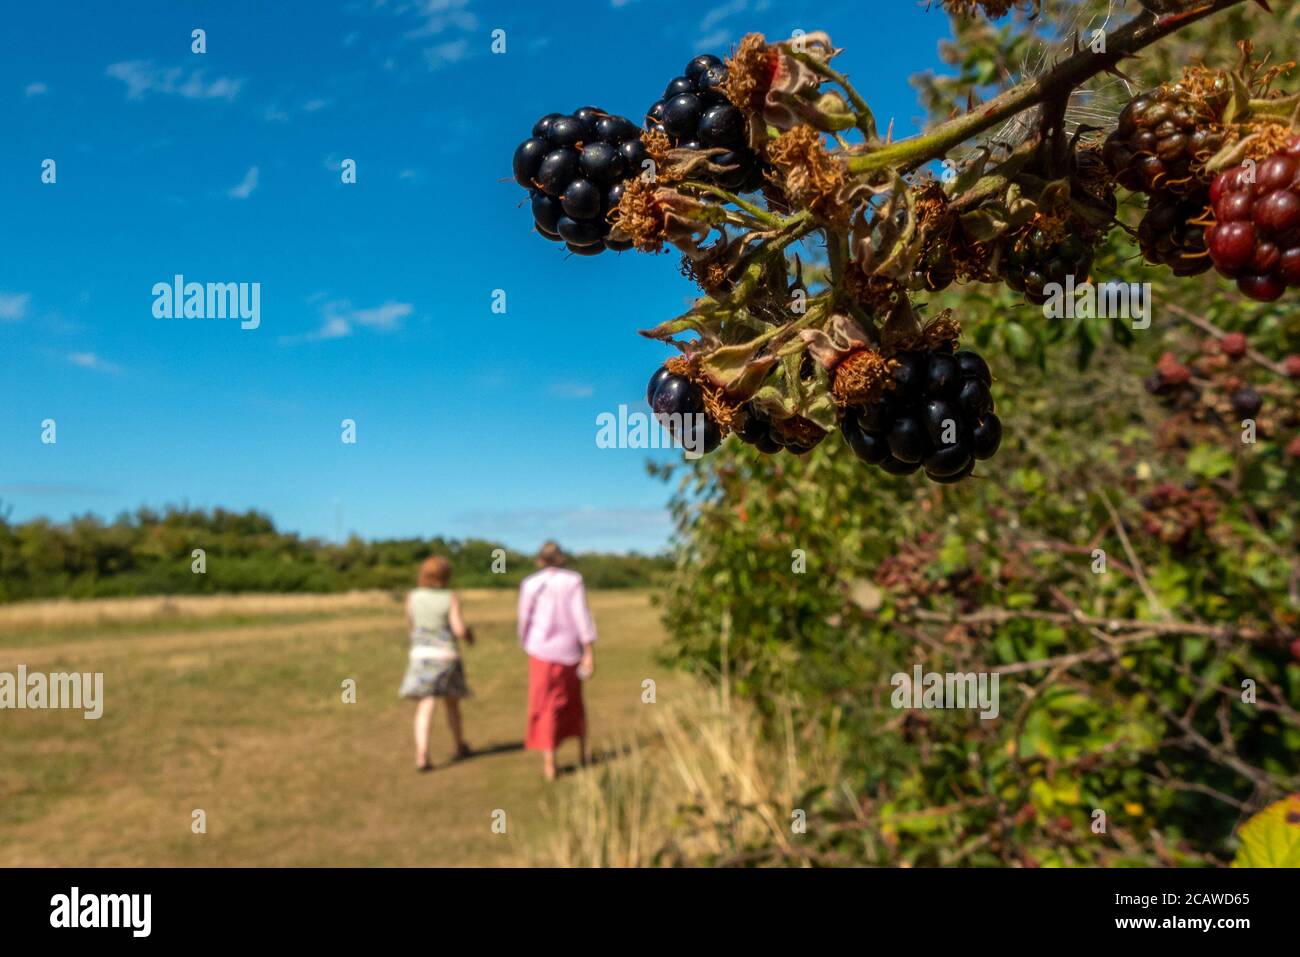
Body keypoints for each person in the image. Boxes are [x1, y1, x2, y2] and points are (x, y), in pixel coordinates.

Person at [517, 541, 596, 781]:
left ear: (540, 559)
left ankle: (550, 763)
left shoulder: (530, 583)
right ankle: (582, 754)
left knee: (545, 705)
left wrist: (525, 641)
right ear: (560, 558)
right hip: (569, 651)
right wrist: (588, 650)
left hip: (540, 652)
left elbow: (524, 618)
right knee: (573, 703)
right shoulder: (573, 580)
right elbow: (581, 615)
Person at [399, 555, 473, 772]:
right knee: (452, 704)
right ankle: (459, 745)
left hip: (421, 655)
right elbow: (459, 629)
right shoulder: (449, 597)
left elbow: (411, 627)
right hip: (446, 656)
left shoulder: (412, 597)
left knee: (426, 704)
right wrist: (469, 635)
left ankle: (422, 755)